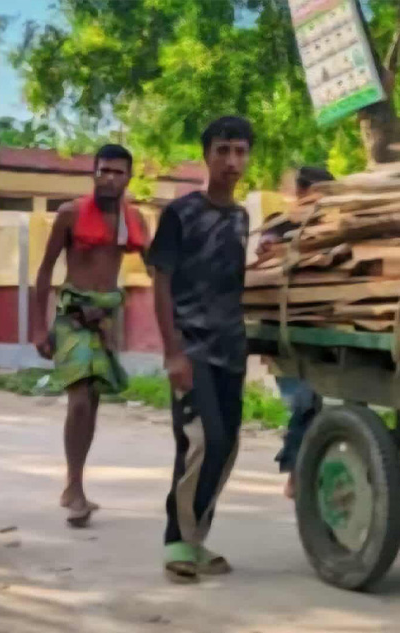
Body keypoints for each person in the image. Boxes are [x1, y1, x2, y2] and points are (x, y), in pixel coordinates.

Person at [147, 116, 253, 584]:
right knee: (199, 440)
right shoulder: (181, 214)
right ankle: (177, 540)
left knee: (226, 446)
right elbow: (161, 282)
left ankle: (197, 538)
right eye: (223, 150)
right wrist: (173, 353)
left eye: (241, 151)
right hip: (191, 347)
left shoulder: (242, 217)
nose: (232, 161)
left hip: (231, 348)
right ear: (206, 155)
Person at [31, 144, 150, 528]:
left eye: (118, 172)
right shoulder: (70, 214)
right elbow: (46, 270)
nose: (110, 178)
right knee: (79, 400)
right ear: (93, 173)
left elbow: (157, 268)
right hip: (73, 316)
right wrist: (38, 326)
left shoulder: (134, 219)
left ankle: (74, 482)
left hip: (107, 318)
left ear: (128, 178)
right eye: (104, 171)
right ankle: (74, 487)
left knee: (93, 403)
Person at [255, 166, 334, 499]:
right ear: (302, 193)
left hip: (317, 331)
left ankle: (302, 473)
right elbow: (265, 262)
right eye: (317, 193)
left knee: (314, 403)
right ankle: (295, 477)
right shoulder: (280, 227)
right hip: (284, 332)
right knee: (304, 402)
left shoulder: (332, 227)